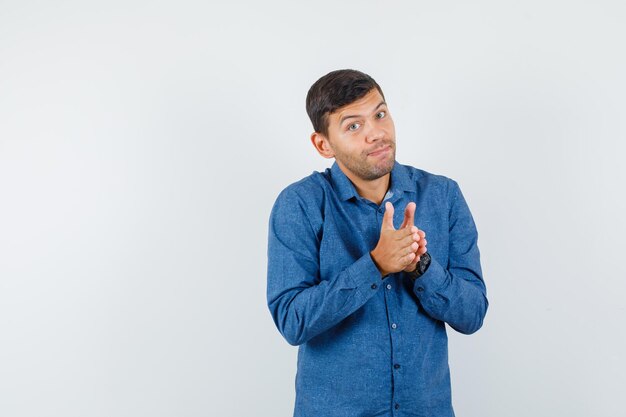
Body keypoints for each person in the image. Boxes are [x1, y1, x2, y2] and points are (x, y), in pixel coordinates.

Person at [266, 69, 488, 417]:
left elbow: (473, 314)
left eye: (380, 115)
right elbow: (293, 320)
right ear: (323, 144)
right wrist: (376, 265)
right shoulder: (300, 204)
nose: (376, 133)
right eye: (353, 126)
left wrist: (422, 268)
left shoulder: (443, 195)